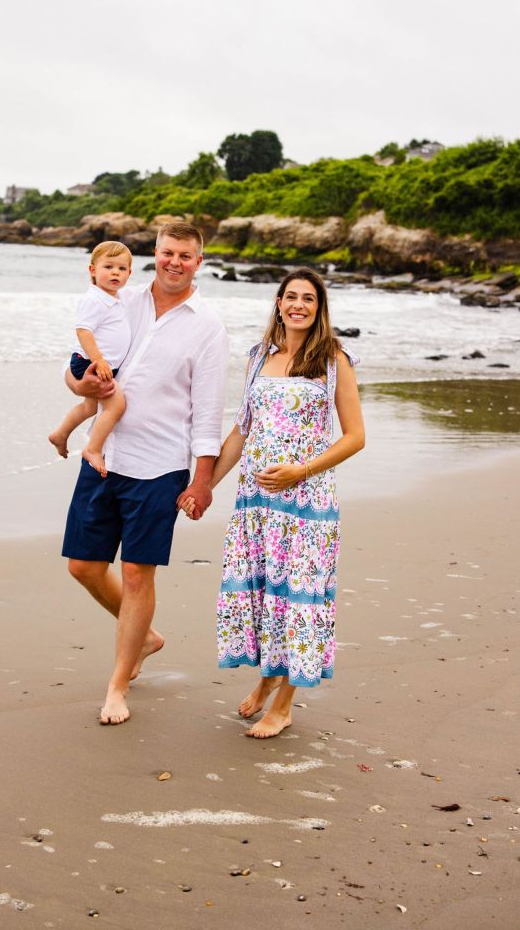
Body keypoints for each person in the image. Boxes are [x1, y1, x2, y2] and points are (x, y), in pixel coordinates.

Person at [184, 267, 364, 739]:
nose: (298, 305)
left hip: (305, 502)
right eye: (291, 297)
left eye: (308, 298)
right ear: (279, 303)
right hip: (257, 502)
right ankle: (267, 677)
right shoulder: (259, 355)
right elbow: (242, 430)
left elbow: (355, 437)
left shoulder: (333, 359)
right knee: (266, 595)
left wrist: (300, 471)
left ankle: (284, 705)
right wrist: (204, 486)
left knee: (299, 597)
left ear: (319, 308)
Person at [62, 221, 229, 725]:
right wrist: (80, 383)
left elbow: (208, 412)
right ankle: (146, 637)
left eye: (185, 255)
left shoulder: (208, 326)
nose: (174, 262)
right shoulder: (120, 301)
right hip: (106, 454)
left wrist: (202, 481)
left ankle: (117, 685)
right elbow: (75, 370)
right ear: (154, 254)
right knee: (83, 567)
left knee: (137, 573)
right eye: (166, 252)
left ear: (199, 262)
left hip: (161, 465)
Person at [48, 241, 132, 477]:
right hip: (92, 363)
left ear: (129, 273)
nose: (115, 273)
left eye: (122, 269)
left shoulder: (115, 298)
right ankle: (93, 449)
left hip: (98, 364)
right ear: (92, 270)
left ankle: (60, 434)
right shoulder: (94, 300)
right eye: (108, 267)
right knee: (116, 406)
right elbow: (83, 331)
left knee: (89, 407)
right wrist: (100, 360)